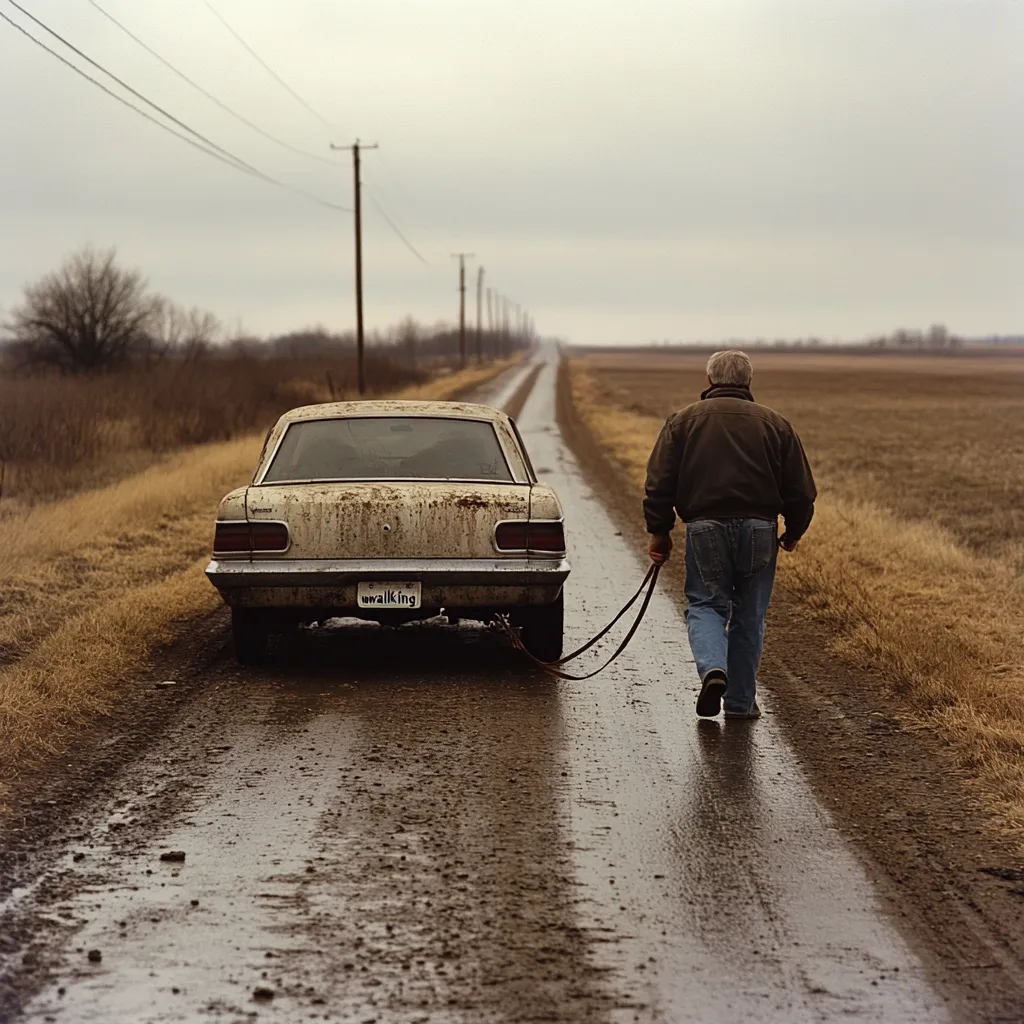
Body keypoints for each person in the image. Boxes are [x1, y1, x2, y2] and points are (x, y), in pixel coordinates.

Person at [643, 350, 816, 719]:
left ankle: (712, 669)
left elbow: (659, 484)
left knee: (706, 604)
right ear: (749, 382)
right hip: (760, 529)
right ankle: (739, 703)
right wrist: (794, 531)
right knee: (749, 616)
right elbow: (801, 490)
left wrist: (659, 532)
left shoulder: (682, 422)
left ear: (709, 380)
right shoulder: (777, 424)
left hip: (704, 526)